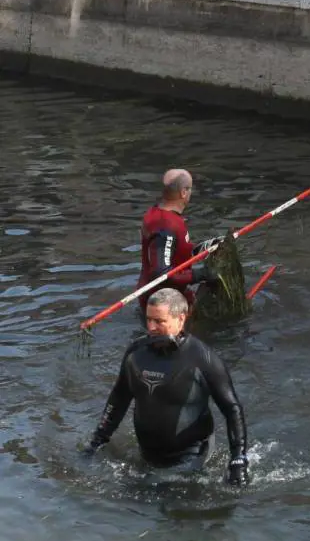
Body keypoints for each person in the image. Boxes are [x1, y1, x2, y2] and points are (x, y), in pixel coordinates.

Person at [84, 287, 249, 485]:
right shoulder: (136, 353)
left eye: (159, 321)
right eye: (148, 319)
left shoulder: (202, 358)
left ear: (181, 319)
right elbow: (119, 398)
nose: (151, 327)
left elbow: (232, 408)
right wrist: (97, 441)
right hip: (147, 455)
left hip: (191, 457)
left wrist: (238, 459)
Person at [138, 168, 218, 312]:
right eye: (190, 189)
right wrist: (200, 274)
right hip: (163, 306)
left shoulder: (155, 213)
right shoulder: (166, 225)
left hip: (164, 296)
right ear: (183, 192)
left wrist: (204, 248)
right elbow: (162, 274)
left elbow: (174, 251)